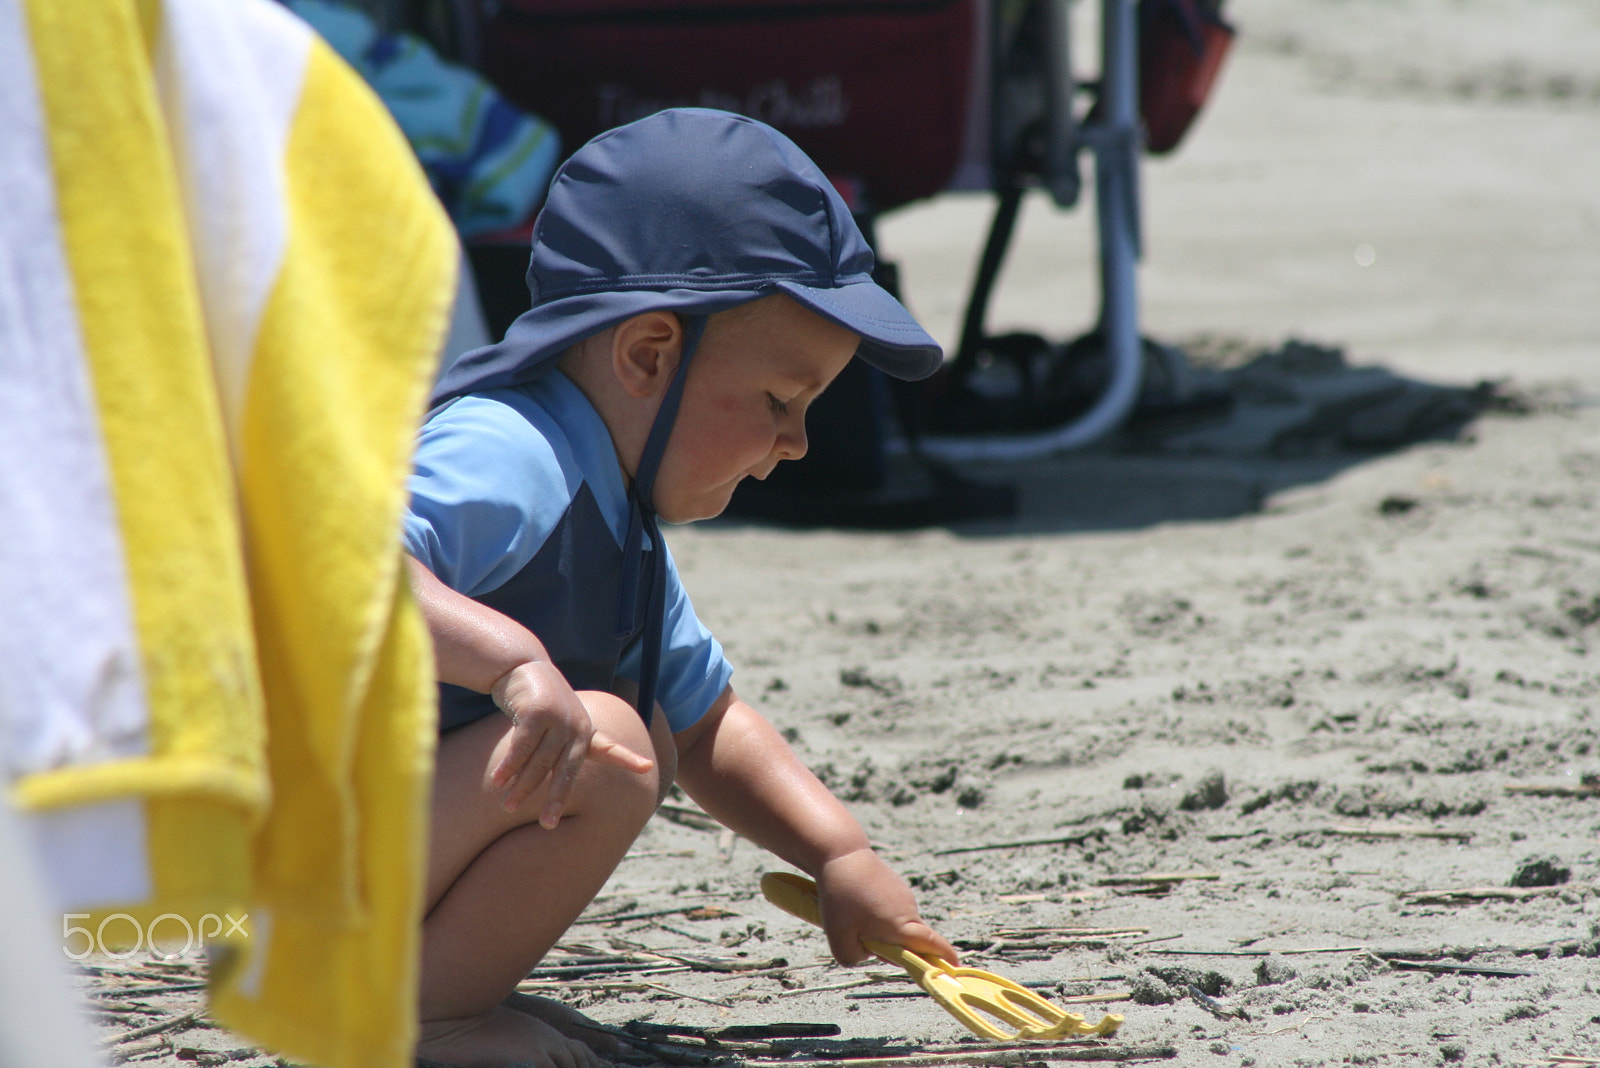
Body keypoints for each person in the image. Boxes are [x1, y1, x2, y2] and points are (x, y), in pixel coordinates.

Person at [402, 107, 959, 1067]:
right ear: (649, 355)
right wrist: (512, 663)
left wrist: (839, 855)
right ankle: (421, 1023)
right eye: (781, 402)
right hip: (277, 855)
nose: (797, 442)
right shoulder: (513, 451)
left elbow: (709, 726)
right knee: (612, 744)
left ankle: (437, 992)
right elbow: (333, 572)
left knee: (645, 724)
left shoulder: (618, 526)